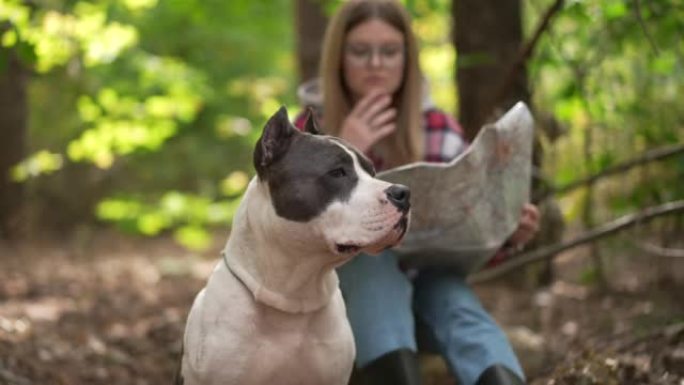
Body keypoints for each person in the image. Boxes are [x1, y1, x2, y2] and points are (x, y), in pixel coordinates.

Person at [293, 1, 540, 384]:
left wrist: (506, 233)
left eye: (389, 51)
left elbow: (465, 244)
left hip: (425, 290)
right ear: (339, 57)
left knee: (454, 301)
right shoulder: (310, 128)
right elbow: (291, 233)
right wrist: (345, 147)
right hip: (338, 302)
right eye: (361, 51)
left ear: (407, 58)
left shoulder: (437, 128)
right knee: (375, 266)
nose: (376, 63)